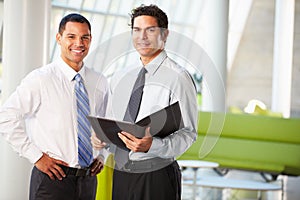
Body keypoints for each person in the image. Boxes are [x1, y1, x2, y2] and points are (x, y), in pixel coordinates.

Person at [92, 4, 198, 200]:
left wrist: (152, 146)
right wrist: (102, 139)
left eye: (150, 30)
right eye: (137, 30)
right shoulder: (121, 76)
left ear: (165, 35)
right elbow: (114, 123)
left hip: (156, 175)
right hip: (122, 173)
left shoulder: (178, 78)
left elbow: (188, 134)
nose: (142, 37)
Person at [0, 13, 108, 200]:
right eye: (71, 37)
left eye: (85, 37)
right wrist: (37, 157)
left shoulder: (99, 81)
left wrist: (102, 155)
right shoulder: (41, 79)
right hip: (52, 180)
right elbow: (6, 117)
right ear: (59, 38)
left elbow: (105, 125)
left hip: (88, 180)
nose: (79, 43)